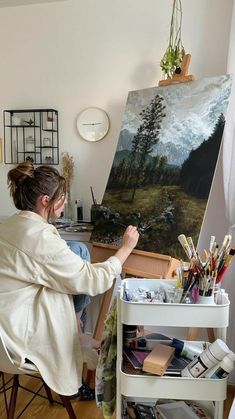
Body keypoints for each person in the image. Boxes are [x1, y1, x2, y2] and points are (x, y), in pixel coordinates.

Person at [0, 161, 139, 397]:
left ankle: (77, 330)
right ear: (46, 200)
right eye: (62, 198)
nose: (64, 203)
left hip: (5, 323)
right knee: (80, 260)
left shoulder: (10, 224)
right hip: (16, 339)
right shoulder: (39, 237)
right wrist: (125, 248)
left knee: (76, 250)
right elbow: (92, 281)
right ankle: (77, 333)